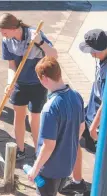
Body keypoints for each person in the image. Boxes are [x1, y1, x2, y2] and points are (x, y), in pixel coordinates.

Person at [0, 13, 58, 160]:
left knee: (34, 118)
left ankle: (38, 150)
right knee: (18, 116)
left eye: (4, 31)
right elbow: (11, 65)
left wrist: (41, 42)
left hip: (38, 84)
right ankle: (20, 149)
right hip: (19, 84)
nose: (2, 35)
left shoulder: (34, 34)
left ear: (13, 28)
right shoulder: (7, 40)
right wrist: (9, 83)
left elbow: (54, 55)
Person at [27, 56, 85, 196]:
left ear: (44, 78)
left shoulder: (49, 108)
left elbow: (48, 145)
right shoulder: (76, 96)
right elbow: (81, 127)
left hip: (49, 170)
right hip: (67, 164)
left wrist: (35, 170)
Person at [60, 29, 107, 195]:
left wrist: (94, 127)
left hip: (100, 123)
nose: (91, 55)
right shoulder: (101, 62)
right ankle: (78, 181)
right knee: (76, 139)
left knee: (100, 158)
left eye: (93, 51)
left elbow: (106, 102)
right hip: (91, 114)